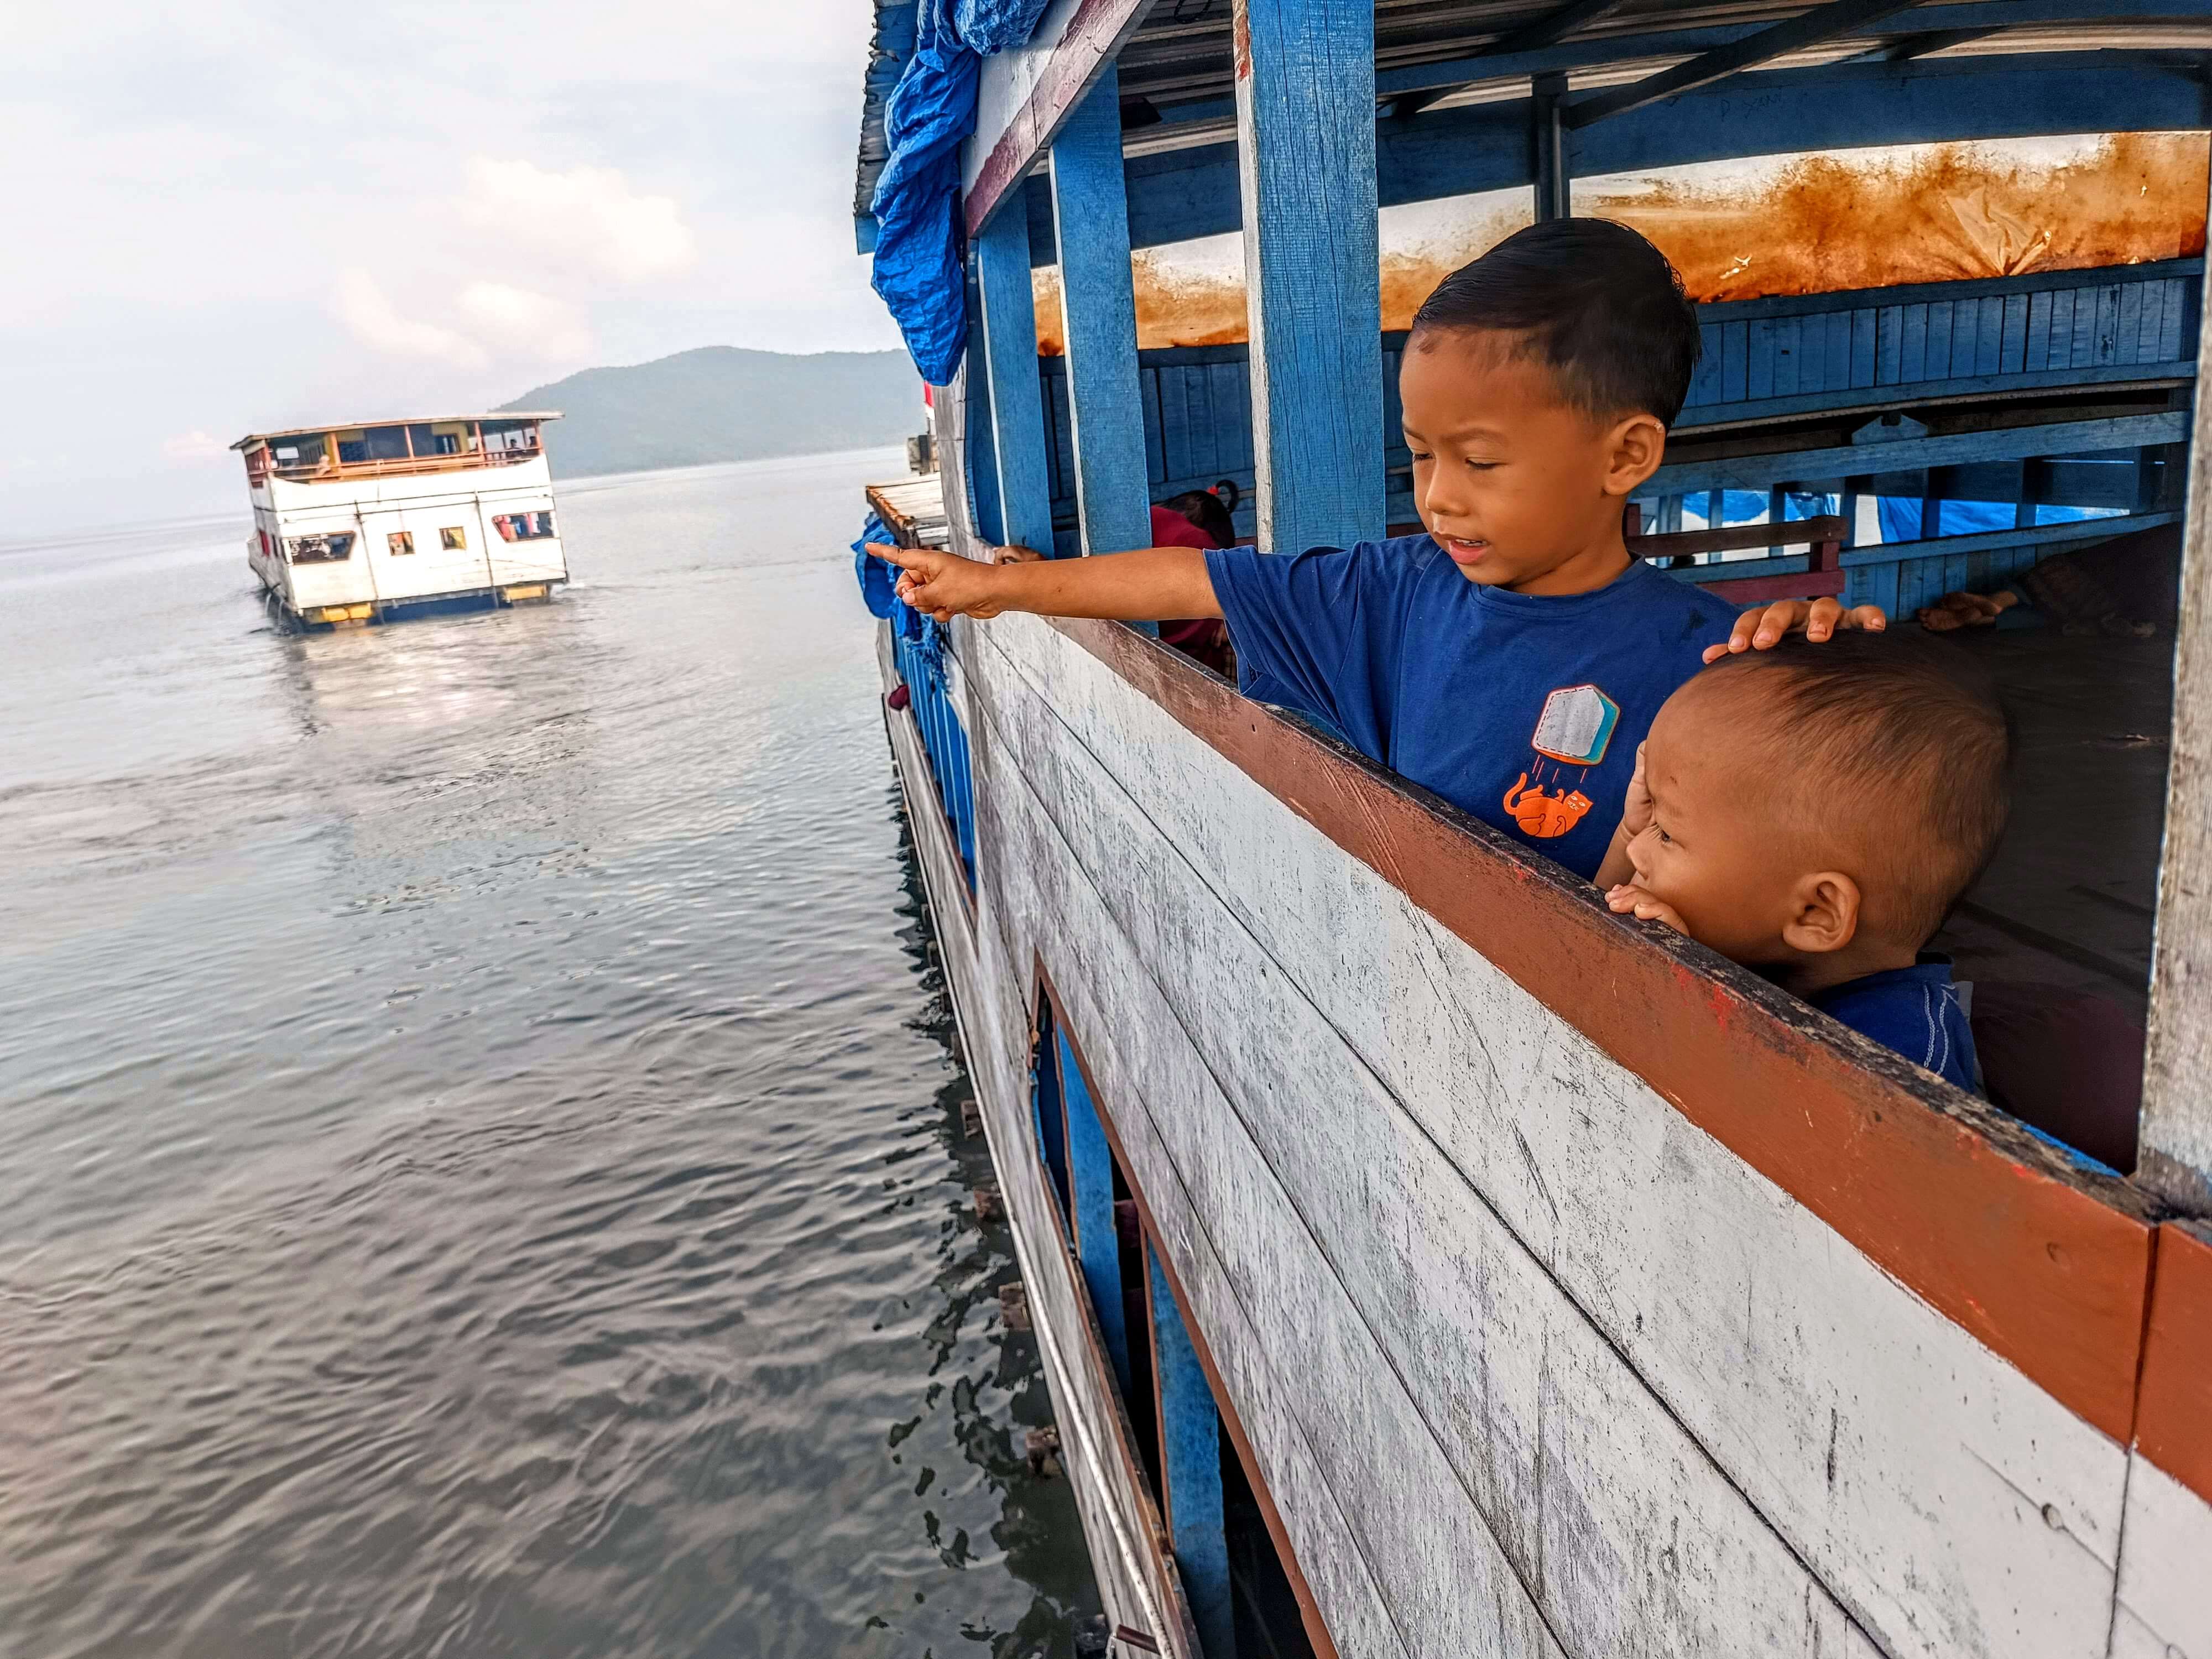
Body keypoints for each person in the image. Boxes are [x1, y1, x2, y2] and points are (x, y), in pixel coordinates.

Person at [869, 218, 1882, 881]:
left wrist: (1827, 676)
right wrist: (998, 591)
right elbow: (1193, 578)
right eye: (1421, 458)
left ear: (1626, 454)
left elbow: (1840, 830)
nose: (1438, 499)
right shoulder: (1398, 590)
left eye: (1480, 462)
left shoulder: (1716, 658)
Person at [1598, 630, 2008, 1093]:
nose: (1637, 853)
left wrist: (1678, 997)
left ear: (1816, 912)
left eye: (1667, 833)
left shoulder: (1896, 1071)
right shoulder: (1761, 949)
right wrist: (1630, 832)